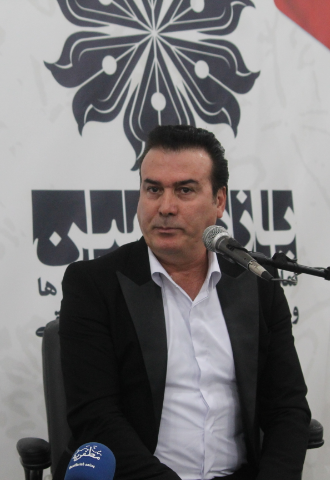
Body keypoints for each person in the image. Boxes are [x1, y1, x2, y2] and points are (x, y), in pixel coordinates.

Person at [56, 125, 310, 480]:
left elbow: (287, 409)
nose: (165, 207)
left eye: (185, 190)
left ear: (219, 201)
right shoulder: (93, 285)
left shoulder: (257, 282)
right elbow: (95, 418)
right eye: (153, 189)